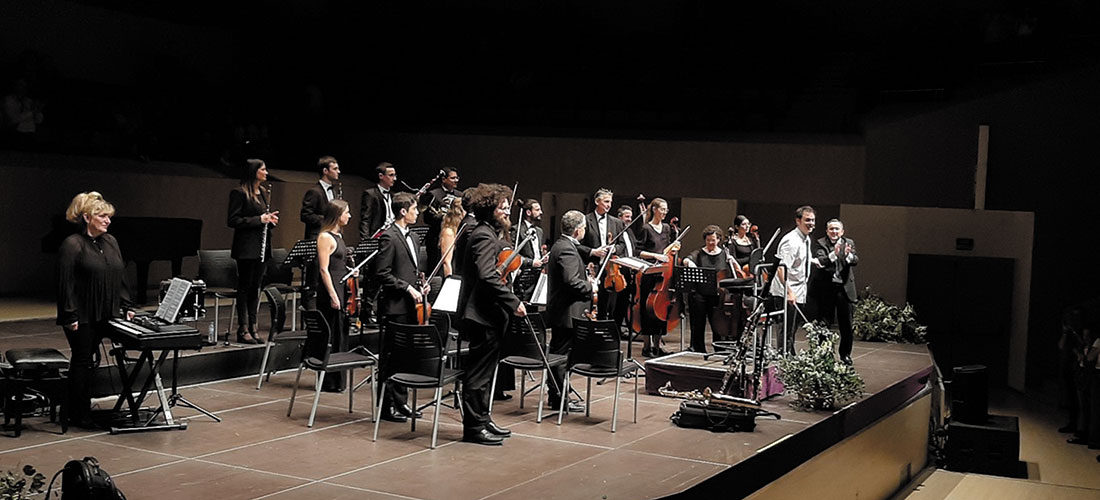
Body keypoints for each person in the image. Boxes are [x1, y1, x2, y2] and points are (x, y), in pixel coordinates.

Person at [455, 183, 525, 445]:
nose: (507, 209)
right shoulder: (483, 235)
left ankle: (483, 419)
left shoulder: (490, 232)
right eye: (502, 206)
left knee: (486, 373)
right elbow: (486, 275)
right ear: (489, 209)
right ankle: (473, 427)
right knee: (478, 374)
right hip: (481, 315)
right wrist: (512, 300)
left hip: (488, 315)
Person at [57, 191, 134, 428]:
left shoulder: (110, 241)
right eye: (102, 216)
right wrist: (70, 315)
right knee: (82, 360)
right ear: (88, 217)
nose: (108, 221)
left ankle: (83, 408)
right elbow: (65, 283)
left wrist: (126, 304)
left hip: (107, 312)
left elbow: (119, 275)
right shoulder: (73, 244)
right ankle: (77, 414)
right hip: (81, 315)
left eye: (109, 217)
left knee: (93, 360)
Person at [375, 192, 428, 421]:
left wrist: (421, 285)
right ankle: (386, 407)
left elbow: (412, 269)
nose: (417, 213)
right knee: (391, 357)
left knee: (406, 356)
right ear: (403, 211)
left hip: (411, 306)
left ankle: (401, 403)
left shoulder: (414, 237)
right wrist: (407, 288)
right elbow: (382, 273)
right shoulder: (389, 237)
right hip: (395, 306)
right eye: (414, 209)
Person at [545, 210, 596, 413]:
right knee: (560, 356)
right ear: (577, 230)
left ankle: (557, 396)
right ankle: (559, 398)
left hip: (562, 311)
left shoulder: (561, 245)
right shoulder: (567, 249)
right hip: (567, 313)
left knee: (559, 354)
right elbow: (572, 282)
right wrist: (591, 286)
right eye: (584, 227)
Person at [227, 159, 278, 344]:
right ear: (253, 171)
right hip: (246, 248)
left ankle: (254, 327)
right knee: (245, 288)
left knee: (256, 288)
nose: (266, 172)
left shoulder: (264, 192)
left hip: (262, 248)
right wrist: (259, 219)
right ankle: (243, 328)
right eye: (263, 169)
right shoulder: (239, 193)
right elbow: (233, 220)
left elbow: (262, 220)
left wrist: (269, 220)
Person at [633, 197, 680, 357]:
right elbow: (638, 252)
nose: (665, 212)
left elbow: (668, 249)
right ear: (654, 209)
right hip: (649, 274)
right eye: (662, 209)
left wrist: (674, 249)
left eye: (666, 209)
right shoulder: (646, 228)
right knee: (648, 310)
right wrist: (656, 256)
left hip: (664, 274)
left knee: (662, 309)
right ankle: (646, 346)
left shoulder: (667, 228)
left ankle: (657, 345)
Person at [682, 225, 738, 353]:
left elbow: (736, 270)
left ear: (718, 239)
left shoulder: (725, 254)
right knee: (698, 322)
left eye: (713, 240)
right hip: (700, 293)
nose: (710, 243)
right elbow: (686, 259)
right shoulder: (699, 253)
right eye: (708, 240)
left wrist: (733, 262)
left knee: (717, 323)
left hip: (718, 295)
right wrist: (690, 263)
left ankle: (719, 348)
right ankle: (697, 348)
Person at [315, 199, 352, 392]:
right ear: (337, 215)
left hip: (341, 287)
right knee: (331, 335)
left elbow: (339, 265)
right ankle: (329, 380)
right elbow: (323, 269)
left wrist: (350, 272)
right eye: (346, 212)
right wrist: (332, 295)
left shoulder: (339, 236)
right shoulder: (325, 237)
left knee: (341, 334)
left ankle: (338, 380)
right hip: (331, 291)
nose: (349, 216)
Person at [769, 205, 815, 355]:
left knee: (793, 329)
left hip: (799, 290)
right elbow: (781, 269)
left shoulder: (805, 239)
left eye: (813, 220)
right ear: (798, 221)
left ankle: (790, 357)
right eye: (807, 220)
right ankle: (784, 361)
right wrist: (789, 292)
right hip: (786, 292)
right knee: (786, 330)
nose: (811, 224)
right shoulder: (791, 241)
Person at [811, 219, 859, 365]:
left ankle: (845, 355)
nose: (834, 232)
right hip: (827, 288)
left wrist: (847, 255)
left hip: (844, 289)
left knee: (846, 325)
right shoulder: (820, 243)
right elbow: (821, 261)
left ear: (842, 231)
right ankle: (823, 355)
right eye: (831, 229)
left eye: (837, 229)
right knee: (824, 323)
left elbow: (855, 260)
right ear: (827, 231)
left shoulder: (848, 242)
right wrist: (834, 254)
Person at [357, 162, 398, 327]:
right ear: (381, 176)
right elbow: (365, 219)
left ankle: (383, 313)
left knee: (386, 278)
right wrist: (367, 242)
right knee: (372, 280)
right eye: (391, 175)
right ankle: (366, 315)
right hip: (376, 240)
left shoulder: (393, 195)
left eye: (395, 175)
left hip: (389, 240)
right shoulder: (370, 194)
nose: (394, 178)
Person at [578, 189, 626, 320]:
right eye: (606, 201)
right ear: (596, 202)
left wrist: (614, 249)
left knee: (607, 306)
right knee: (590, 305)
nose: (609, 205)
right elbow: (577, 245)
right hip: (592, 268)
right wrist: (593, 251)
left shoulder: (617, 222)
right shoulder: (586, 220)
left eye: (610, 202)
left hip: (610, 270)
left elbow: (622, 245)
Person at [300, 155, 341, 309]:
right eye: (335, 169)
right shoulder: (314, 192)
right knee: (314, 278)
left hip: (332, 239)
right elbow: (305, 215)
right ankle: (311, 312)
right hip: (317, 239)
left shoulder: (335, 191)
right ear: (325, 171)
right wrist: (327, 221)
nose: (338, 171)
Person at [423, 167, 463, 270]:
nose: (456, 180)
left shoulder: (460, 195)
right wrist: (445, 217)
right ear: (444, 179)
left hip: (455, 235)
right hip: (436, 236)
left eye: (457, 178)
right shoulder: (434, 194)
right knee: (435, 266)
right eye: (453, 178)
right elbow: (427, 218)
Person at [511, 198, 547, 302]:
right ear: (528, 212)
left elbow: (536, 252)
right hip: (523, 277)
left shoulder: (539, 231)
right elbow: (512, 254)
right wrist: (531, 262)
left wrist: (542, 259)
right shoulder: (517, 230)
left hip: (537, 276)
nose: (541, 212)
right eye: (537, 210)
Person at [611, 205, 639, 334]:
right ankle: (614, 329)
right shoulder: (616, 231)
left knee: (624, 303)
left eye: (631, 217)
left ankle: (623, 328)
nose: (629, 219)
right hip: (618, 272)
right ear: (619, 218)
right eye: (627, 216)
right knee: (616, 303)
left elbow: (633, 251)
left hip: (629, 272)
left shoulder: (629, 232)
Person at [438, 197, 466, 277]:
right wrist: (450, 281)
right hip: (450, 275)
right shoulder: (448, 232)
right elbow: (446, 262)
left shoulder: (458, 229)